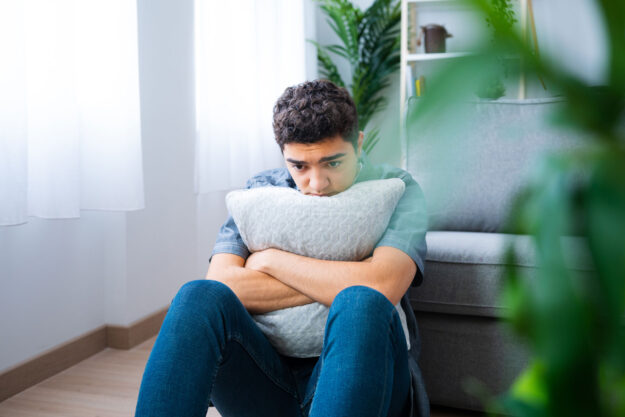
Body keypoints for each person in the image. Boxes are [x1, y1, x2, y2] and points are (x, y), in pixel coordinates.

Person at [135, 79, 429, 417]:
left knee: (360, 301)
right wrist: (351, 269)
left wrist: (271, 260)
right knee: (195, 297)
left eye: (333, 162)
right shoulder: (262, 192)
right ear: (284, 156)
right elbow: (225, 285)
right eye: (300, 166)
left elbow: (381, 285)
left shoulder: (396, 189)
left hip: (367, 380)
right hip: (268, 381)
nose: (316, 184)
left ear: (358, 145)